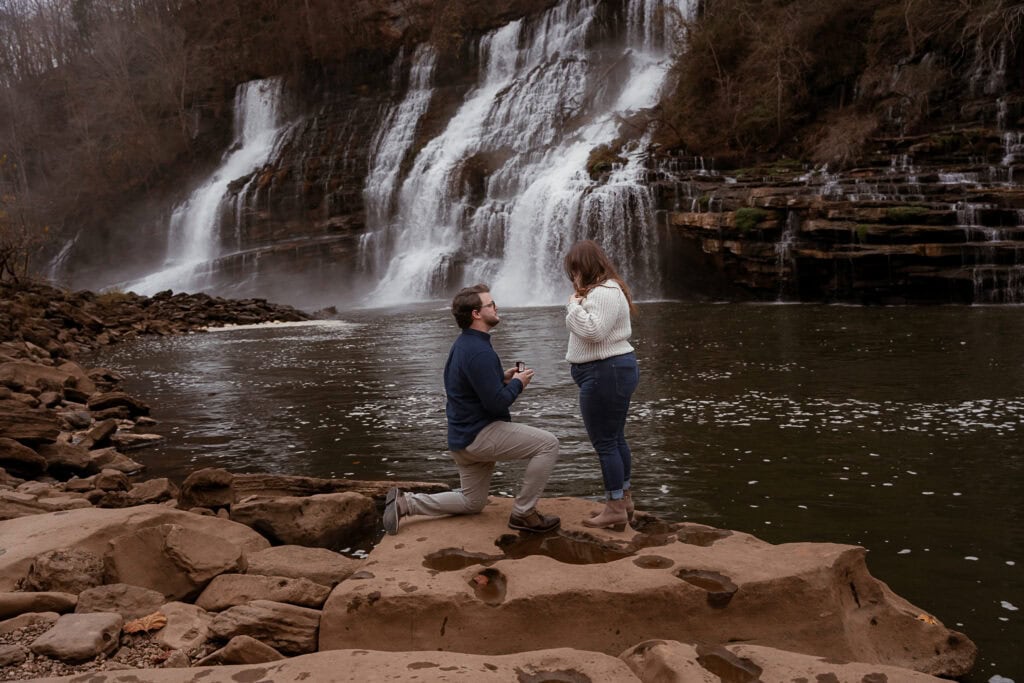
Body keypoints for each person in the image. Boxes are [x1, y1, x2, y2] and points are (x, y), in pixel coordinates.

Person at [383, 284, 561, 534]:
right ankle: (523, 513)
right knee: (548, 444)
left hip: (461, 440)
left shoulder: (463, 345)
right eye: (491, 305)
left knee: (472, 502)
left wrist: (500, 379)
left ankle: (406, 503)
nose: (496, 307)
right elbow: (496, 403)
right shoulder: (479, 352)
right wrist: (519, 384)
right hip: (480, 435)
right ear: (476, 313)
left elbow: (471, 388)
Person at [564, 240, 640, 531]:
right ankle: (625, 499)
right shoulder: (605, 291)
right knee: (615, 438)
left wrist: (572, 307)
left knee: (606, 443)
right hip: (607, 370)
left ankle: (615, 507)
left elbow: (593, 331)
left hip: (604, 372)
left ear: (584, 267)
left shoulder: (606, 292)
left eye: (574, 270)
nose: (572, 278)